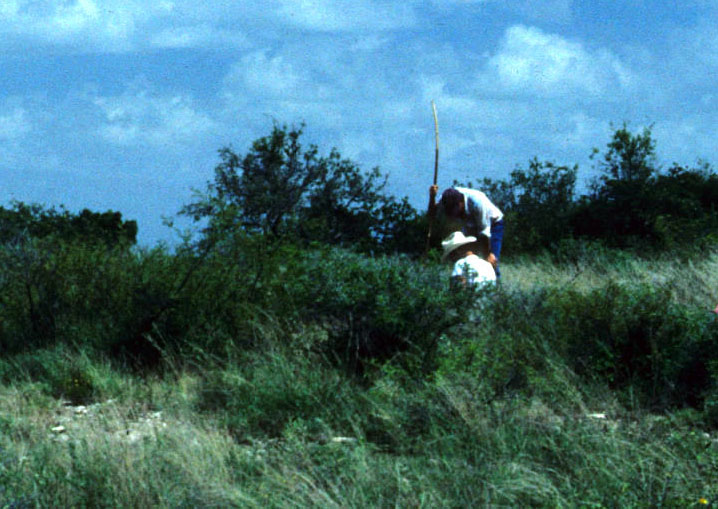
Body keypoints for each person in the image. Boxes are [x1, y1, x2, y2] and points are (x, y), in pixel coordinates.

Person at [429, 184, 504, 279]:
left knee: (491, 261)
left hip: (493, 224)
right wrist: (432, 197)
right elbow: (431, 215)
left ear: (461, 203)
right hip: (470, 226)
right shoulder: (444, 201)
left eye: (455, 211)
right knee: (468, 258)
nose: (454, 215)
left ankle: (496, 287)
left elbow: (484, 232)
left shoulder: (477, 202)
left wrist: (489, 253)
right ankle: (468, 287)